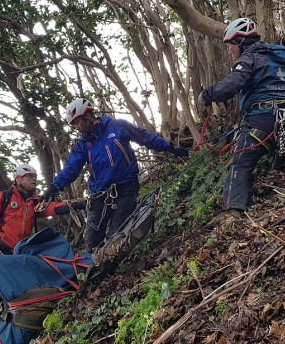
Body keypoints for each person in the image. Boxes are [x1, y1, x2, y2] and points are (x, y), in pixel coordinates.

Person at [41, 98, 189, 251]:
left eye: (79, 122)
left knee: (116, 234)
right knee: (90, 239)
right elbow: (71, 169)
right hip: (99, 194)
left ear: (89, 116)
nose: (78, 127)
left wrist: (170, 148)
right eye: (74, 125)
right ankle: (95, 267)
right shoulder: (82, 145)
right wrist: (54, 186)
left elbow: (145, 138)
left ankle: (111, 261)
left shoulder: (117, 126)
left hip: (126, 188)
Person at [198, 17, 285, 222]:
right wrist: (279, 50)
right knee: (277, 154)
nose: (230, 52)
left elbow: (230, 86)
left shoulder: (249, 58)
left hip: (261, 122)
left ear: (241, 43)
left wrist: (206, 95)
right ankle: (284, 161)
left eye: (231, 46)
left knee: (239, 164)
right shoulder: (277, 53)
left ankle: (232, 211)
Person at [0, 163, 86, 337]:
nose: (34, 180)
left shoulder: (34, 201)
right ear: (18, 179)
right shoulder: (4, 197)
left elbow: (51, 208)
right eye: (29, 177)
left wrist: (77, 205)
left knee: (13, 287)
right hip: (1, 249)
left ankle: (18, 323)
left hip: (19, 252)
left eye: (35, 177)